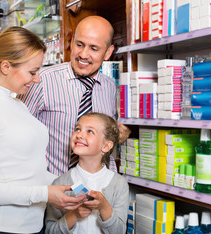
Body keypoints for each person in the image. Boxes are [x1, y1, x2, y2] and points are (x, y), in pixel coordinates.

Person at [0, 26, 85, 234]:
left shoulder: (18, 105)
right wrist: (44, 194)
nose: (37, 79)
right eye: (32, 72)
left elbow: (30, 170)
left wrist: (77, 187)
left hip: (34, 229)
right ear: (6, 66)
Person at [21, 15, 131, 176]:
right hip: (52, 189)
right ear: (71, 42)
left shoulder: (109, 87)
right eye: (79, 45)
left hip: (95, 191)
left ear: (108, 52)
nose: (83, 55)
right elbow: (16, 134)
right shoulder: (42, 80)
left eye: (94, 48)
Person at [45, 112, 129, 234]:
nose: (79, 134)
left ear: (106, 146)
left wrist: (104, 206)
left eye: (90, 131)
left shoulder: (119, 184)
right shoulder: (60, 183)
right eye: (77, 129)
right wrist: (73, 215)